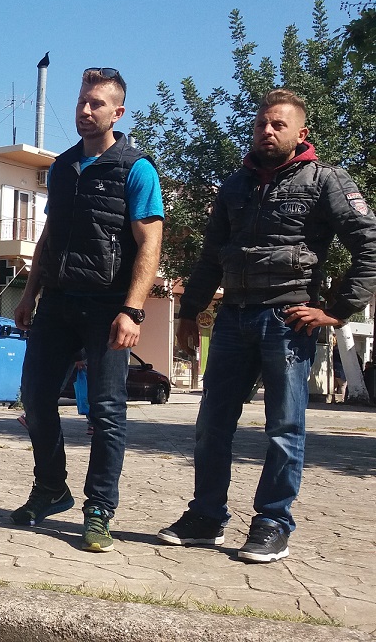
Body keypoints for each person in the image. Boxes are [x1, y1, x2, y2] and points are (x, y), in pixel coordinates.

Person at [159, 89, 376, 563]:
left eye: (279, 124)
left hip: (287, 321)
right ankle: (206, 517)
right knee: (211, 424)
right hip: (233, 318)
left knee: (283, 428)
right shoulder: (234, 185)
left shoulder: (326, 180)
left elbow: (369, 243)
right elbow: (211, 256)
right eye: (261, 124)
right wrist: (189, 312)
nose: (267, 131)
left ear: (302, 132)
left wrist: (338, 310)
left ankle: (273, 523)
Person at [10, 68, 164, 553]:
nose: (84, 110)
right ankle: (51, 488)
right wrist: (29, 294)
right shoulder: (62, 167)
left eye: (96, 103)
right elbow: (48, 236)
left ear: (117, 112)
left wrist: (132, 311)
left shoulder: (136, 168)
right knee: (35, 399)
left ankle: (99, 510)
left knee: (106, 411)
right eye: (81, 101)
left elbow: (150, 242)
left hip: (107, 307)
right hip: (57, 301)